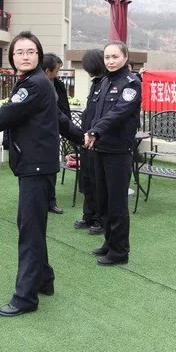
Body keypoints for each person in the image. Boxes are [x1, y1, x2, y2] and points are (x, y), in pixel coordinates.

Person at [0, 31, 83, 317]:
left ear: (38, 55)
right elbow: (59, 118)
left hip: (36, 166)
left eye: (30, 51)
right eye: (19, 52)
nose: (25, 56)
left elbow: (6, 115)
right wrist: (82, 136)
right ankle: (44, 279)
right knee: (32, 226)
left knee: (29, 230)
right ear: (12, 57)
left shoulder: (34, 84)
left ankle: (25, 297)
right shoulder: (35, 82)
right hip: (36, 164)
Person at [84, 41, 142, 266]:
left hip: (118, 151)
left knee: (117, 204)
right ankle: (109, 242)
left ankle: (119, 252)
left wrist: (95, 131)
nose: (110, 61)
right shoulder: (105, 81)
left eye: (115, 57)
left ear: (125, 57)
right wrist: (89, 133)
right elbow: (96, 114)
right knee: (104, 201)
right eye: (107, 57)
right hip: (100, 148)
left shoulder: (131, 83)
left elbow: (118, 112)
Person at [73, 49, 108, 235]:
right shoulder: (95, 83)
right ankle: (88, 215)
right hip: (87, 140)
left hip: (98, 141)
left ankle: (100, 220)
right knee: (86, 179)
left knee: (97, 182)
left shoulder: (106, 83)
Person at [42, 52, 69, 214]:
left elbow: (63, 106)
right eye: (57, 70)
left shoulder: (57, 84)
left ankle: (51, 201)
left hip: (54, 131)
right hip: (38, 134)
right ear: (47, 71)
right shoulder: (32, 84)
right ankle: (38, 201)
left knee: (52, 167)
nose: (58, 73)